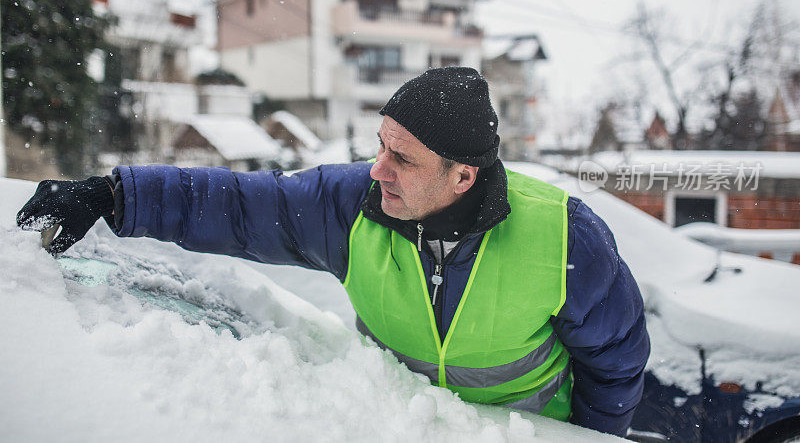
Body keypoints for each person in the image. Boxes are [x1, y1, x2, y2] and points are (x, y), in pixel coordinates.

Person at [17, 67, 650, 437]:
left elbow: (617, 366)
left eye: (402, 157)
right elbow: (238, 207)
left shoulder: (566, 239)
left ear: (463, 176)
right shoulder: (353, 207)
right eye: (381, 144)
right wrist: (111, 196)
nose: (378, 169)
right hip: (393, 422)